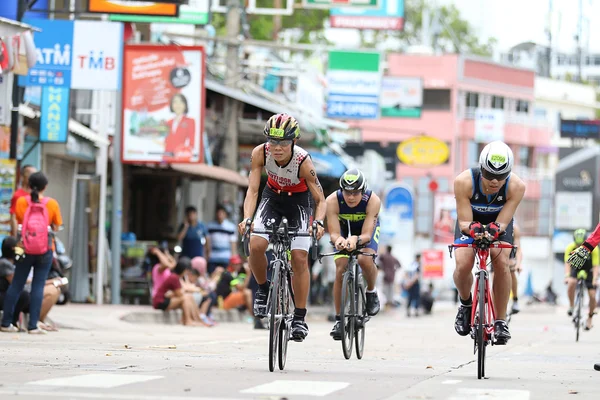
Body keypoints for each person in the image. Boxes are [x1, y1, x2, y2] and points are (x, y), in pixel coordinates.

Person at [238, 113, 326, 342]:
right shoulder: (260, 153)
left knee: (298, 258)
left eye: (283, 143)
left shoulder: (303, 161)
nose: (277, 148)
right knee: (256, 244)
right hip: (272, 198)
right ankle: (263, 290)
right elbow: (253, 190)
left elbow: (320, 199)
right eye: (273, 142)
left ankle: (299, 317)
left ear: (293, 142)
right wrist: (247, 218)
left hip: (298, 203)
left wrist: (318, 222)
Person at [452, 141, 526, 345]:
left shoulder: (517, 186)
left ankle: (501, 321)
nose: (494, 181)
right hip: (469, 222)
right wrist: (475, 230)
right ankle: (466, 304)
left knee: (502, 263)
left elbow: (503, 222)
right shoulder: (463, 181)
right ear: (481, 168)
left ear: (509, 173)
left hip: (499, 223)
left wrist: (493, 230)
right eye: (489, 175)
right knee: (463, 263)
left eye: (501, 177)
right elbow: (465, 222)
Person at [1, 171, 63, 334]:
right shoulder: (51, 203)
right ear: (45, 186)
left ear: (28, 185)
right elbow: (56, 226)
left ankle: (6, 323)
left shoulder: (21, 201)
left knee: (17, 284)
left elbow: (18, 221)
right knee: (38, 284)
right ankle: (33, 325)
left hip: (22, 246)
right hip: (45, 248)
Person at [326, 169, 381, 340]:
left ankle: (371, 291)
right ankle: (338, 319)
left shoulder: (373, 200)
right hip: (343, 231)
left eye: (355, 193)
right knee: (340, 268)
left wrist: (355, 239)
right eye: (347, 192)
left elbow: (366, 235)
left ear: (362, 191)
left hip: (364, 232)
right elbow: (334, 233)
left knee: (365, 259)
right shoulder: (332, 201)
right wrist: (339, 240)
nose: (350, 197)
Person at [152, 257, 206, 327]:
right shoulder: (174, 277)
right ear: (184, 270)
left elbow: (178, 293)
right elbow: (180, 294)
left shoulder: (176, 277)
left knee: (189, 297)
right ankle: (188, 320)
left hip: (166, 300)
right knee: (185, 298)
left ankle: (197, 319)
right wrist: (186, 290)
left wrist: (175, 293)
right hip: (160, 302)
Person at [564, 229, 598, 330]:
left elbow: (596, 266)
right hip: (576, 267)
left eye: (581, 245)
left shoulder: (594, 249)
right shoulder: (570, 247)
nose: (579, 248)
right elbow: (567, 263)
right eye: (577, 246)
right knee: (571, 282)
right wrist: (567, 276)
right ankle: (571, 306)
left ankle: (590, 318)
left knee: (592, 295)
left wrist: (595, 279)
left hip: (589, 270)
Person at [163, 93, 196, 162]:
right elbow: (165, 141)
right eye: (175, 102)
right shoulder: (168, 122)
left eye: (180, 102)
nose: (178, 105)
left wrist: (184, 154)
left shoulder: (190, 121)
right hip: (166, 157)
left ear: (185, 104)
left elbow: (191, 143)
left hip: (181, 157)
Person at [206, 205, 237, 274]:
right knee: (212, 276)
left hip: (226, 257)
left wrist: (233, 258)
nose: (220, 215)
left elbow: (233, 243)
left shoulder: (230, 227)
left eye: (222, 213)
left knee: (225, 277)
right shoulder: (210, 226)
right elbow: (208, 242)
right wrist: (207, 255)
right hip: (213, 257)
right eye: (218, 213)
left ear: (225, 214)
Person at [10, 165, 37, 237]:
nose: (34, 178)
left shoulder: (37, 195)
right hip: (21, 235)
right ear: (23, 177)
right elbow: (13, 217)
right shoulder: (18, 195)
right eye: (31, 175)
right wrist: (16, 238)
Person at [509, 222, 523, 314]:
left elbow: (518, 249)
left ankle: (515, 300)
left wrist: (518, 264)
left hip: (509, 250)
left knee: (511, 270)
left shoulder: (514, 228)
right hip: (494, 250)